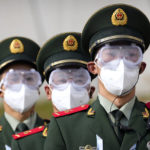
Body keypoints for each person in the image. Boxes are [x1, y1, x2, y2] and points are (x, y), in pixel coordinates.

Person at [44, 4, 150, 150]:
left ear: (141, 67)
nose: (121, 64)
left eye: (131, 55)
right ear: (93, 68)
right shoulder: (65, 127)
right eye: (110, 55)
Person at [11, 32, 95, 150]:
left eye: (79, 80)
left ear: (91, 91)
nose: (70, 87)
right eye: (61, 80)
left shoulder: (107, 134)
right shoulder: (27, 145)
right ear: (48, 92)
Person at [0, 37, 47, 150]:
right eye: (13, 78)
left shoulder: (57, 134)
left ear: (38, 88)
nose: (23, 85)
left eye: (30, 78)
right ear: (1, 90)